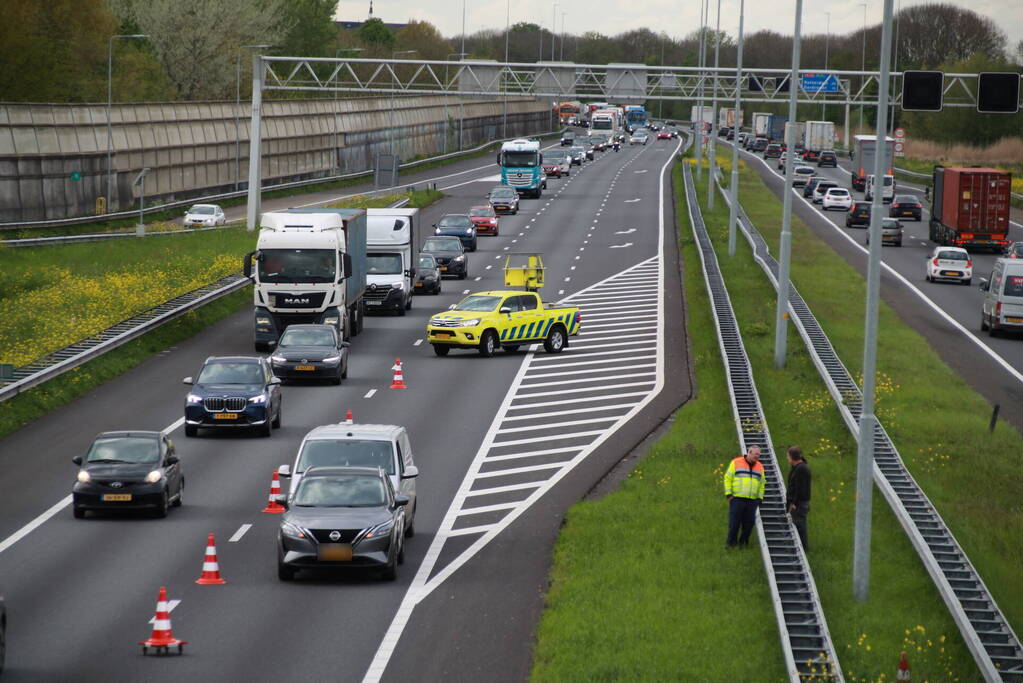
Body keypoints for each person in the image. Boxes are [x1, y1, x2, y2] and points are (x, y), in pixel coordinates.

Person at [724, 446, 765, 548]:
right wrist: (729, 494)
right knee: (734, 523)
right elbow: (727, 478)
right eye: (756, 455)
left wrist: (760, 498)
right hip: (737, 499)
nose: (757, 457)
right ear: (749, 452)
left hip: (752, 501)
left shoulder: (760, 466)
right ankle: (730, 544)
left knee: (749, 524)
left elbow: (762, 483)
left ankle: (743, 544)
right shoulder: (736, 462)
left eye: (759, 455)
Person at [786, 446, 811, 551]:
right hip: (798, 503)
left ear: (792, 457)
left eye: (788, 456)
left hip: (798, 504)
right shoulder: (799, 468)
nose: (787, 458)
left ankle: (803, 549)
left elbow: (799, 488)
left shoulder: (801, 469)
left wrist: (793, 503)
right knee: (798, 526)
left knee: (800, 527)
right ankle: (800, 548)